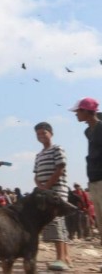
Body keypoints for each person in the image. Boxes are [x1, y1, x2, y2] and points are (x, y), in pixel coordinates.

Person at [33, 121, 71, 271]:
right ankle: (66, 256)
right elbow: (36, 175)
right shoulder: (39, 155)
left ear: (51, 133)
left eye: (44, 133)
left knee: (56, 222)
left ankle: (60, 258)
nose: (41, 136)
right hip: (45, 192)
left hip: (56, 192)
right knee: (59, 224)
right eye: (38, 134)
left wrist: (47, 187)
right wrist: (40, 187)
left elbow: (60, 169)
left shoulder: (57, 149)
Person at [71, 97, 102, 246]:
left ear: (86, 111)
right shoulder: (88, 131)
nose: (76, 114)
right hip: (94, 179)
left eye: (78, 111)